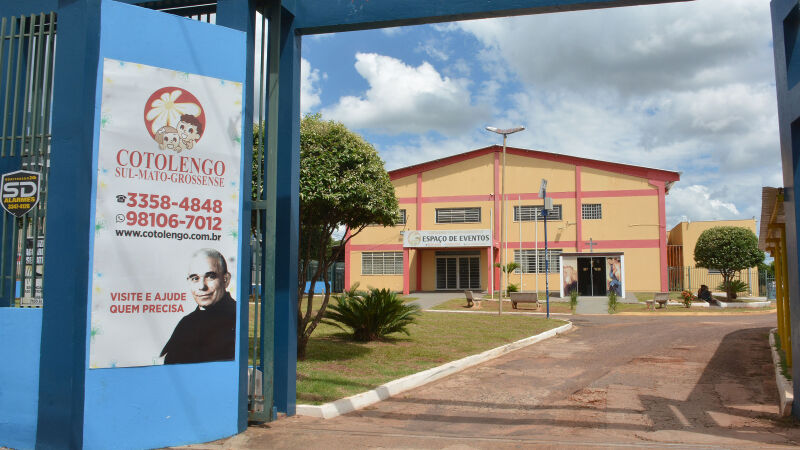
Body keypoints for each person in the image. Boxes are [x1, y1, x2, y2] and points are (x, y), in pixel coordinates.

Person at [161, 248, 236, 364]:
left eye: (210, 276)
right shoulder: (186, 323)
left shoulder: (237, 317)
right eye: (195, 278)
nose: (202, 286)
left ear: (225, 279)